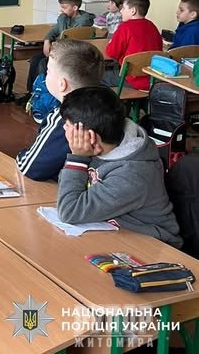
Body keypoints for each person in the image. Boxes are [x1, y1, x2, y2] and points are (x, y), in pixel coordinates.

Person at [56, 86, 182, 247]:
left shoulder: (131, 174)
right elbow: (67, 189)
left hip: (153, 245)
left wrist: (77, 158)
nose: (64, 128)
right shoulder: (107, 141)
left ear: (90, 137)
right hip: (113, 230)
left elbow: (69, 211)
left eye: (67, 126)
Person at [16, 39, 104, 181]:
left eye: (48, 72)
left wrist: (21, 155)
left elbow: (31, 168)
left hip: (70, 187)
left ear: (62, 84)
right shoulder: (109, 108)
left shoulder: (64, 119)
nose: (45, 76)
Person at [25, 0, 95, 95]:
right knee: (35, 59)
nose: (61, 10)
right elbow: (54, 31)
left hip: (72, 55)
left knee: (43, 63)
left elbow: (66, 38)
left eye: (64, 7)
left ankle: (45, 94)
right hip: (61, 51)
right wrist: (47, 40)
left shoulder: (83, 22)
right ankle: (32, 93)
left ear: (75, 8)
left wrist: (62, 18)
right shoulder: (67, 17)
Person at [103, 0, 162, 90]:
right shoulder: (152, 26)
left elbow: (112, 53)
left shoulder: (125, 27)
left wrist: (111, 42)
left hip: (130, 79)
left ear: (133, 11)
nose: (121, 11)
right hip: (153, 79)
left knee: (96, 77)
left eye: (124, 8)